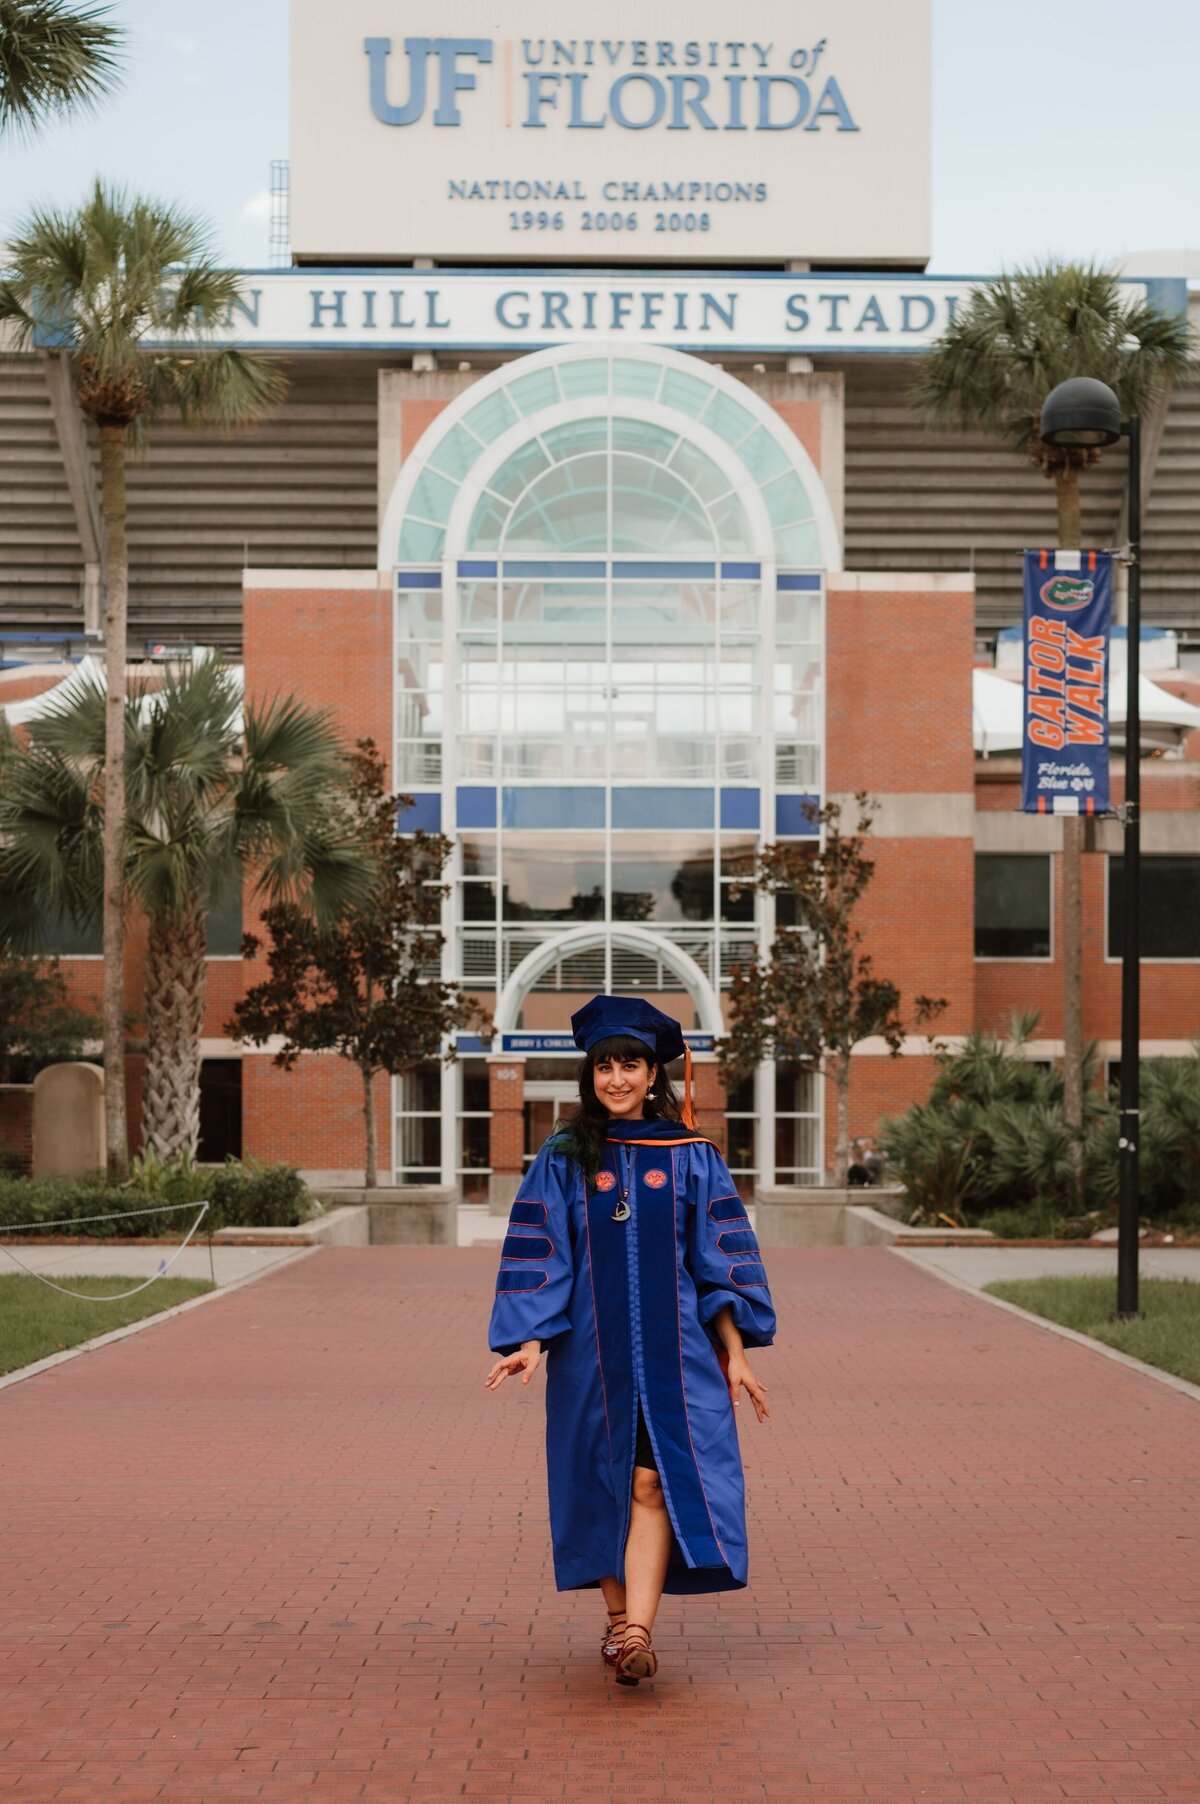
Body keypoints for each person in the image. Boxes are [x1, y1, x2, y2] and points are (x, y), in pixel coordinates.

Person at [485, 994, 776, 1688]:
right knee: (603, 1482)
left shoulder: (692, 1157)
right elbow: (543, 1252)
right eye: (605, 1066)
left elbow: (716, 1257)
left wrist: (734, 1351)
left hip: (678, 1355)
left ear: (654, 1075)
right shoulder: (564, 1158)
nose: (616, 1078)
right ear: (591, 1075)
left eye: (631, 1065)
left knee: (652, 1481)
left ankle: (638, 1631)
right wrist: (529, 1339)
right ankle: (620, 1626)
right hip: (592, 1355)